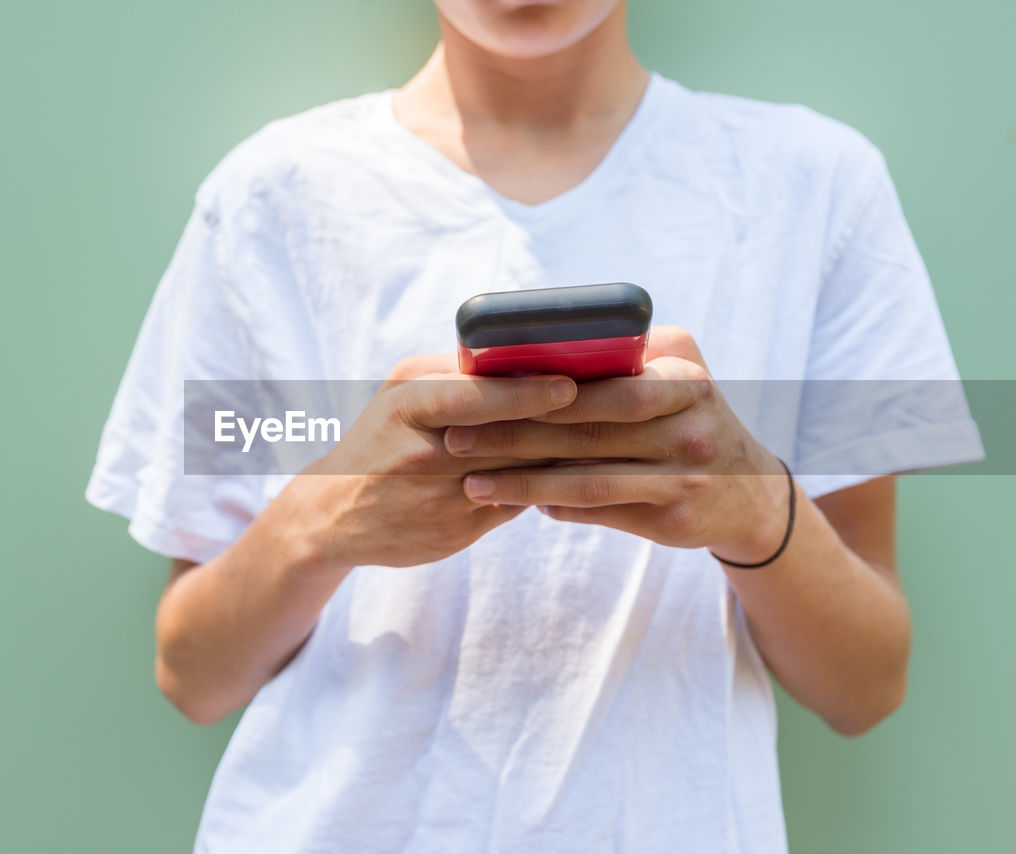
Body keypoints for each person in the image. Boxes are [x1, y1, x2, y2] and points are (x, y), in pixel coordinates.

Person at [85, 1, 984, 851]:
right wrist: (324, 520)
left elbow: (866, 685)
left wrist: (753, 511)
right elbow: (192, 673)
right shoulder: (266, 202)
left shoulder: (817, 190)